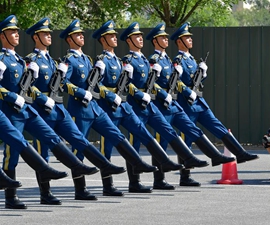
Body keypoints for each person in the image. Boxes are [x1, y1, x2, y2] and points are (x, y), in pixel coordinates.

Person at [24, 18, 128, 204]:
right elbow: (30, 86)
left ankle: (82, 188)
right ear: (36, 37)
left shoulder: (59, 61)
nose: (49, 36)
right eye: (45, 34)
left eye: (49, 33)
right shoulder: (34, 60)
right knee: (44, 153)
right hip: (44, 110)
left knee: (79, 144)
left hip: (60, 108)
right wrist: (74, 94)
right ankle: (46, 193)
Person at [0, 15, 98, 209]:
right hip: (11, 111)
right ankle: (11, 196)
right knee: (12, 154)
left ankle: (47, 191)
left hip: (32, 109)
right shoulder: (5, 59)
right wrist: (14, 97)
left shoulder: (23, 60)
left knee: (51, 142)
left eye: (17, 31)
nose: (17, 34)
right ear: (2, 36)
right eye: (12, 32)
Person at [59, 19, 158, 199]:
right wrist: (81, 93)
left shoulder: (88, 59)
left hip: (95, 109)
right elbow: (62, 83)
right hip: (79, 110)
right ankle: (80, 189)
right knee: (79, 149)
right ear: (69, 39)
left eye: (82, 33)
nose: (82, 36)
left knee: (117, 137)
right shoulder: (69, 60)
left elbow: (96, 83)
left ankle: (122, 177)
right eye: (77, 34)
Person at [91, 20, 184, 194]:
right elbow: (96, 86)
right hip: (108, 108)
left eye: (114, 35)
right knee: (107, 147)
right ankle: (108, 185)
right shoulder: (101, 61)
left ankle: (147, 174)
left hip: (124, 105)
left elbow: (126, 83)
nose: (114, 38)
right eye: (111, 36)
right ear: (103, 40)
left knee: (141, 135)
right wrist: (112, 96)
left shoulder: (119, 61)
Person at [119, 22, 210, 191]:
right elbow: (125, 85)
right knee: (136, 143)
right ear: (129, 40)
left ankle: (159, 179)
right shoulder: (128, 60)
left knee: (158, 139)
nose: (140, 39)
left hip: (151, 104)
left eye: (141, 36)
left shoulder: (148, 60)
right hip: (135, 105)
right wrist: (141, 94)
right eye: (137, 37)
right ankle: (134, 182)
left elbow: (153, 83)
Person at [145, 23, 235, 188]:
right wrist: (165, 93)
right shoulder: (155, 60)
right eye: (163, 38)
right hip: (161, 103)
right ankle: (159, 179)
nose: (166, 40)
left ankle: (184, 176)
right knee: (162, 140)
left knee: (178, 137)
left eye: (166, 37)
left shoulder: (168, 59)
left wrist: (203, 74)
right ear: (155, 41)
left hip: (172, 102)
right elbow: (151, 84)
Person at [169, 23, 258, 174]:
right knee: (188, 138)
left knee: (218, 127)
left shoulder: (192, 59)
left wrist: (203, 74)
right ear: (179, 41)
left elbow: (196, 81)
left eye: (190, 37)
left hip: (199, 103)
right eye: (186, 38)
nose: (190, 40)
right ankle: (185, 176)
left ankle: (240, 153)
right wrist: (186, 91)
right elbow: (175, 81)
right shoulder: (178, 60)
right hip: (187, 104)